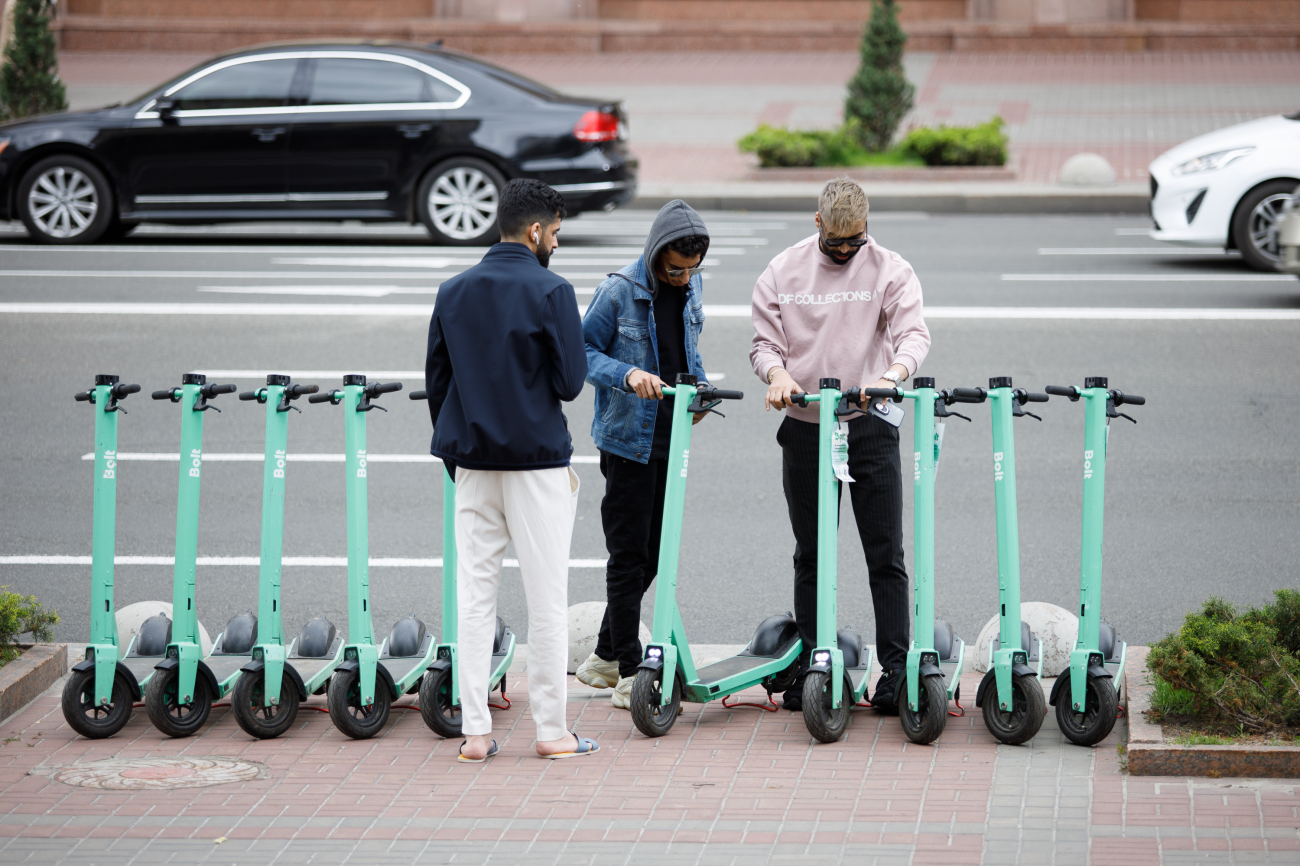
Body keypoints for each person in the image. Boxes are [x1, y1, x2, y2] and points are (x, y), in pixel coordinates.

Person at [424, 178, 599, 761]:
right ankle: (551, 732)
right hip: (537, 465)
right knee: (546, 599)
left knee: (474, 598)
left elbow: (438, 382)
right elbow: (570, 383)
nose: (556, 243)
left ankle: (475, 733)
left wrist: (458, 452)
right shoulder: (552, 290)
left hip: (474, 464)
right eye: (556, 232)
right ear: (535, 230)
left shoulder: (452, 291)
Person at [749, 178, 930, 714]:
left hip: (869, 423)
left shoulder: (890, 268)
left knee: (886, 554)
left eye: (857, 240)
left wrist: (893, 375)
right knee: (811, 552)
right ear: (818, 223)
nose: (847, 250)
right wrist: (777, 375)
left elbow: (914, 334)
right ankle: (814, 661)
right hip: (806, 425)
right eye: (836, 241)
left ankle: (895, 670)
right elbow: (764, 344)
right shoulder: (783, 270)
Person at [574, 200, 712, 709]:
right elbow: (581, 353)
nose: (684, 278)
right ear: (655, 254)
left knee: (656, 554)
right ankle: (630, 669)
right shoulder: (617, 291)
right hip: (627, 440)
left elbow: (688, 350)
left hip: (674, 436)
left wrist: (701, 388)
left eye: (691, 269)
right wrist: (627, 374)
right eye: (675, 269)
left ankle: (604, 655)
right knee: (629, 554)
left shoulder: (693, 284)